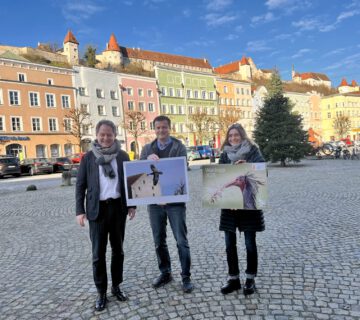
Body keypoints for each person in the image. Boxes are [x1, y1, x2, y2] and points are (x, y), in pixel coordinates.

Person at [76, 120, 136, 311]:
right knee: (98, 254)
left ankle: (116, 286)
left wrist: (132, 205)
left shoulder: (123, 156)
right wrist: (80, 211)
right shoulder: (88, 158)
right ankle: (101, 292)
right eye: (102, 134)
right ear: (97, 135)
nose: (105, 137)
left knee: (118, 251)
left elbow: (130, 182)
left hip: (118, 209)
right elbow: (80, 186)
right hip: (97, 210)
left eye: (109, 134)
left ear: (114, 135)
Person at [140, 115, 193, 293]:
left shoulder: (179, 147)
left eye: (164, 127)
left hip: (175, 202)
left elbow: (181, 171)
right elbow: (140, 171)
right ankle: (165, 272)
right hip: (154, 202)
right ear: (154, 129)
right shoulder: (147, 148)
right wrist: (147, 160)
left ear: (169, 128)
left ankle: (186, 276)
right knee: (158, 241)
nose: (161, 130)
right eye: (158, 128)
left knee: (181, 241)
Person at [218, 123, 265, 296]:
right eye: (230, 136)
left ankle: (250, 279)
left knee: (249, 244)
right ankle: (234, 279)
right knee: (229, 244)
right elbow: (219, 177)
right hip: (229, 206)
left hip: (248, 206)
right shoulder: (224, 154)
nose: (233, 138)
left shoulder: (253, 151)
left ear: (242, 135)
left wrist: (248, 166)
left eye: (236, 135)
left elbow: (263, 173)